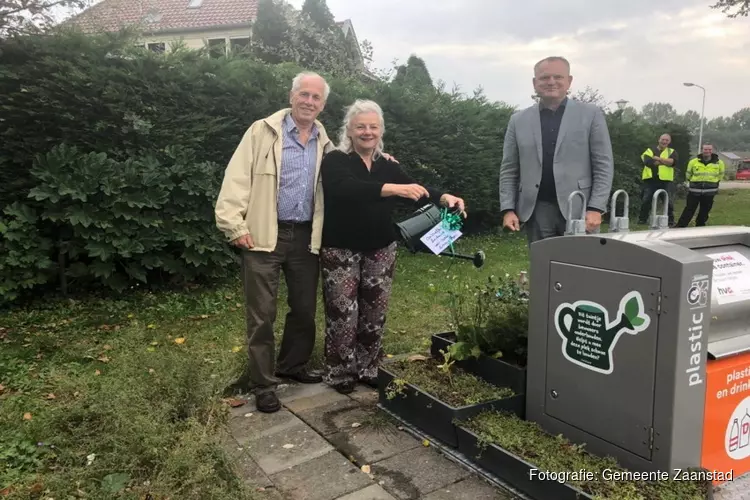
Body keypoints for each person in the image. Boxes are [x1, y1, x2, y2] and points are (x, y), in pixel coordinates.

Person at [319, 99, 466, 394]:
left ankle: (368, 367)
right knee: (343, 313)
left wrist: (444, 197)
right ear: (348, 129)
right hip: (340, 248)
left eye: (373, 126)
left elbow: (414, 188)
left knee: (375, 311)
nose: (367, 132)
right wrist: (391, 189)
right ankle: (340, 372)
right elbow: (345, 189)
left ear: (381, 130)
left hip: (380, 247)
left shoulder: (387, 164)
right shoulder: (335, 160)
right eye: (360, 126)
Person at [214, 71, 336, 413]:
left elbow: (352, 173)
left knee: (304, 310)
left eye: (316, 98)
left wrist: (383, 162)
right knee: (261, 314)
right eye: (304, 95)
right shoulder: (261, 131)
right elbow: (236, 178)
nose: (309, 102)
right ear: (291, 96)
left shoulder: (326, 143)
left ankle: (292, 366)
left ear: (323, 105)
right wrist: (233, 225)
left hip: (306, 238)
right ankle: (263, 384)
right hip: (264, 234)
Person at [499, 56, 614, 245]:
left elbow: (603, 165)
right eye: (544, 78)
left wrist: (596, 207)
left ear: (569, 81)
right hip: (537, 210)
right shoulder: (518, 120)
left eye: (558, 77)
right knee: (544, 268)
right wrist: (508, 209)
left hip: (580, 208)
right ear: (535, 83)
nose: (551, 82)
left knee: (582, 268)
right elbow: (509, 169)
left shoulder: (591, 115)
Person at [676, 144, 725, 228]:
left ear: (712, 150)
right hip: (694, 191)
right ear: (702, 150)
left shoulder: (719, 163)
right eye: (705, 149)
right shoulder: (693, 162)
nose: (707, 151)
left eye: (709, 149)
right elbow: (688, 174)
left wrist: (713, 184)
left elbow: (721, 175)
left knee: (705, 210)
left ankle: (700, 226)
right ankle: (681, 226)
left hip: (710, 192)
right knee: (689, 209)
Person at [638, 133, 678, 226]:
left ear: (669, 142)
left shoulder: (672, 151)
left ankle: (670, 221)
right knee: (646, 200)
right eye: (663, 139)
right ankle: (642, 220)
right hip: (650, 180)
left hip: (666, 180)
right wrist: (665, 161)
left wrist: (658, 158)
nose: (664, 142)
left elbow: (673, 162)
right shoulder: (649, 150)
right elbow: (648, 162)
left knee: (668, 202)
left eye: (666, 140)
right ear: (658, 140)